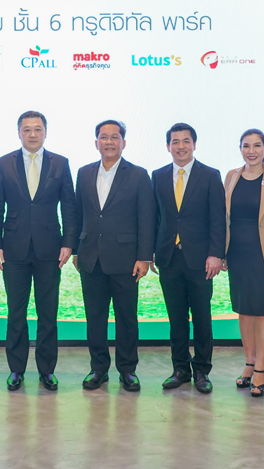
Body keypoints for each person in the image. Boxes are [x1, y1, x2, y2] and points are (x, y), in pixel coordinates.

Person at [0, 111, 78, 391]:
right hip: (13, 250)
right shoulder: (4, 163)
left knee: (48, 313)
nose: (32, 134)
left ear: (45, 132)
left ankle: (47, 370)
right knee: (16, 312)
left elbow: (70, 207)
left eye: (37, 129)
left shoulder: (60, 163)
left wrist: (68, 242)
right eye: (27, 130)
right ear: (19, 133)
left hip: (50, 250)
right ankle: (16, 369)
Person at [73, 120, 155, 392]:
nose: (109, 142)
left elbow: (147, 218)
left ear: (124, 142)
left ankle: (128, 370)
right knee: (94, 318)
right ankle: (98, 369)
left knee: (126, 318)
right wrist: (76, 249)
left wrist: (144, 256)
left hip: (126, 260)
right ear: (96, 142)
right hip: (90, 259)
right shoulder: (84, 173)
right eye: (103, 137)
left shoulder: (139, 175)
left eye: (114, 137)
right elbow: (77, 216)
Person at [151, 123, 225, 394]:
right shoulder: (157, 176)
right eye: (175, 141)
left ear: (194, 144)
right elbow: (153, 218)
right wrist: (150, 254)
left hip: (200, 260)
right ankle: (180, 369)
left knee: (202, 318)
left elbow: (218, 219)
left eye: (186, 141)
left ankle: (202, 371)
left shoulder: (209, 175)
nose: (180, 146)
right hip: (169, 258)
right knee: (177, 318)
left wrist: (216, 254)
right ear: (168, 146)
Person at [223, 129, 264, 397]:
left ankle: (261, 367)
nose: (252, 151)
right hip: (236, 253)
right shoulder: (231, 176)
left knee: (261, 311)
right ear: (240, 149)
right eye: (246, 146)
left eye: (257, 145)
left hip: (263, 256)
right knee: (244, 310)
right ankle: (249, 362)